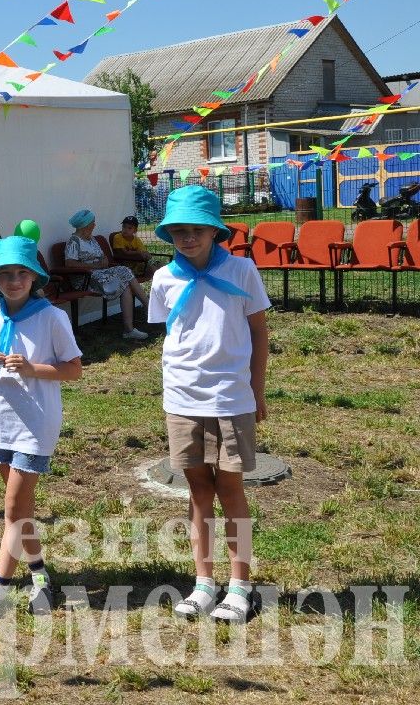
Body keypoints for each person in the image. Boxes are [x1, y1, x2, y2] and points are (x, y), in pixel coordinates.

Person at [147, 186, 270, 623]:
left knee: (231, 488)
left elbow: (258, 332)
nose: (188, 238)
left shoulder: (242, 271)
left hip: (231, 396)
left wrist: (256, 390)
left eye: (197, 229)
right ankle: (203, 583)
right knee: (198, 491)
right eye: (179, 231)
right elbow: (173, 333)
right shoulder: (164, 278)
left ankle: (240, 586)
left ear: (215, 231)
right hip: (182, 397)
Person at [0, 237, 82, 622]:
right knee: (21, 510)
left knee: (12, 508)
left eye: (21, 273)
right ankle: (41, 577)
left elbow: (73, 369)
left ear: (34, 277)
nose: (13, 280)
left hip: (35, 423)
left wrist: (33, 369)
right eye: (5, 274)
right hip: (0, 421)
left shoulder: (52, 318)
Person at [64, 209, 149, 340]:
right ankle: (147, 306)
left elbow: (103, 256)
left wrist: (104, 260)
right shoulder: (74, 241)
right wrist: (95, 266)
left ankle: (129, 329)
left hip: (99, 273)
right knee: (124, 275)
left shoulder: (92, 239)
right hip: (85, 279)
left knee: (125, 276)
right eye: (93, 222)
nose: (94, 225)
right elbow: (70, 263)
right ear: (85, 225)